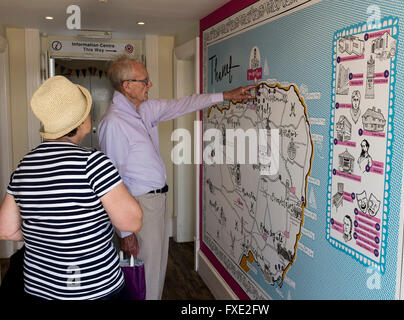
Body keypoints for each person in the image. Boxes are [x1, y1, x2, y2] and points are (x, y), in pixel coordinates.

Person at [98, 56, 256, 300]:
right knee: (145, 270)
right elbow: (111, 182)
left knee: (157, 266)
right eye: (145, 81)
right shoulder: (114, 122)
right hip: (138, 205)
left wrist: (225, 96)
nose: (149, 85)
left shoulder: (145, 109)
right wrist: (125, 233)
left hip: (157, 201)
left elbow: (185, 104)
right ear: (127, 86)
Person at [0, 76, 143, 300]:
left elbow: (6, 230)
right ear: (82, 121)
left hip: (40, 289)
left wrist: (47, 237)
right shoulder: (93, 163)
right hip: (95, 288)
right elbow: (131, 221)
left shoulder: (24, 166)